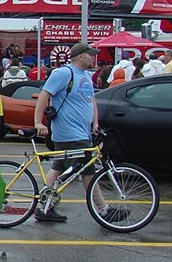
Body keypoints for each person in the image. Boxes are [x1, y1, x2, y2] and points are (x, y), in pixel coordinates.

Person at [33, 42, 126, 224]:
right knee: (88, 170)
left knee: (59, 166)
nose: (94, 57)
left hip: (81, 132)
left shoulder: (85, 75)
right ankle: (104, 210)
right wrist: (37, 122)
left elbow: (90, 100)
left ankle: (44, 206)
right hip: (68, 132)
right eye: (90, 54)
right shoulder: (63, 73)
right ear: (80, 56)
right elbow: (44, 95)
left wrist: (95, 122)